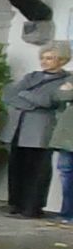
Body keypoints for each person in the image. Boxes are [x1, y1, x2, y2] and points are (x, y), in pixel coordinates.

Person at [0, 41, 73, 219]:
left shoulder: (67, 79)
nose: (44, 62)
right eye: (43, 58)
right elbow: (9, 95)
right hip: (18, 127)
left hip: (41, 129)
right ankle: (16, 203)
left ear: (62, 60)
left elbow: (49, 101)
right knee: (17, 166)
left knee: (37, 169)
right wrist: (32, 99)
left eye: (49, 58)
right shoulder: (32, 76)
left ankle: (32, 206)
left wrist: (24, 95)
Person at [49, 57, 73, 227]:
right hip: (68, 136)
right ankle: (67, 213)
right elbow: (59, 95)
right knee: (65, 175)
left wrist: (69, 92)